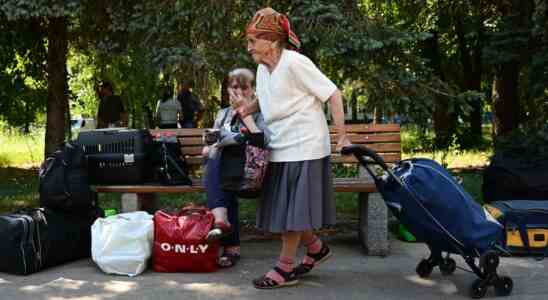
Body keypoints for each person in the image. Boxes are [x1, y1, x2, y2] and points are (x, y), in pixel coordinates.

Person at [240, 7, 351, 289]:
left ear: (272, 41)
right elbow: (269, 100)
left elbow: (333, 94)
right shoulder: (263, 69)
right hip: (279, 147)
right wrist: (246, 109)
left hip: (305, 146)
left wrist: (342, 137)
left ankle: (284, 268)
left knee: (292, 212)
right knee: (289, 208)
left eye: (253, 40)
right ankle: (315, 248)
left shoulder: (295, 63)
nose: (248, 46)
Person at [202, 68, 271, 268]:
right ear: (228, 90)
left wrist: (244, 115)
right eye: (235, 87)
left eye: (244, 87)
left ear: (253, 90)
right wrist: (210, 144)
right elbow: (210, 141)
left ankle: (222, 223)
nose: (239, 92)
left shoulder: (262, 112)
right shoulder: (223, 114)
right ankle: (226, 230)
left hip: (253, 173)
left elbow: (263, 141)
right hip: (227, 172)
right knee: (216, 159)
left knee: (219, 157)